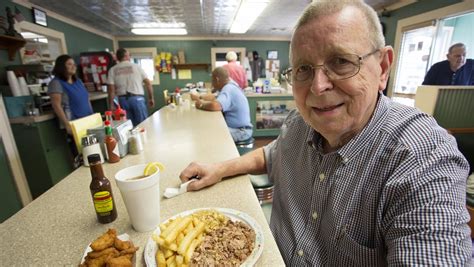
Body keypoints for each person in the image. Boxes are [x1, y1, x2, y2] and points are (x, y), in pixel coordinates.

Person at [180, 1, 472, 265]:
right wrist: (219, 168)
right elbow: (272, 154)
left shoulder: (424, 157)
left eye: (341, 61)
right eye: (303, 69)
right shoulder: (299, 123)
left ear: (382, 67)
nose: (318, 87)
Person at [48, 54, 93, 167]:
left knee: (92, 152)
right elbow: (56, 105)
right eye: (69, 64)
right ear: (61, 66)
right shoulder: (56, 83)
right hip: (74, 124)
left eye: (74, 64)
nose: (73, 66)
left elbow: (86, 99)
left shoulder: (78, 81)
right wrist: (67, 124)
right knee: (81, 155)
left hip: (87, 121)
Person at [191, 67, 253, 142]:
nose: (212, 84)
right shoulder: (231, 86)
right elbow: (215, 97)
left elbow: (216, 106)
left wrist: (201, 105)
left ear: (217, 79)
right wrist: (200, 97)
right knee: (210, 128)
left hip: (240, 131)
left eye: (212, 81)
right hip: (240, 129)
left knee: (207, 134)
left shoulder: (228, 89)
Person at [107, 48, 155, 126]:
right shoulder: (137, 67)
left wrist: (111, 105)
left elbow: (111, 90)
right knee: (142, 125)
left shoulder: (112, 70)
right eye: (129, 55)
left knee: (127, 126)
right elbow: (148, 83)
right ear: (126, 56)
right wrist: (151, 98)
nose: (130, 57)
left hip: (122, 101)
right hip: (137, 99)